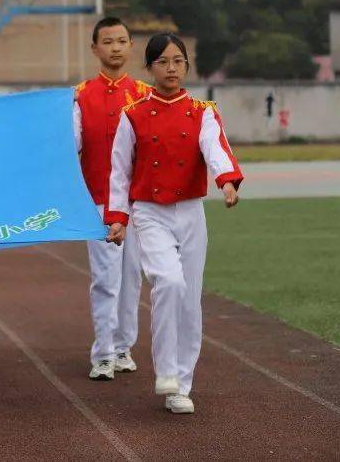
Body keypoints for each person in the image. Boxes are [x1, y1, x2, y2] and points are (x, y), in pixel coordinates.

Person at [105, 33, 243, 415]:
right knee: (168, 281)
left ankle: (181, 385)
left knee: (190, 300)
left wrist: (226, 180)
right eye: (163, 62)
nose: (171, 69)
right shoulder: (132, 114)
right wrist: (118, 218)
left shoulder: (202, 111)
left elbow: (216, 149)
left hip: (190, 212)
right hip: (149, 212)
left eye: (178, 61)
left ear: (187, 65)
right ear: (149, 68)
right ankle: (165, 371)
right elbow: (119, 171)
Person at [73, 17, 148, 381]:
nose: (115, 47)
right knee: (105, 278)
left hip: (140, 205)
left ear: (131, 45)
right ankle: (102, 352)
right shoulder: (79, 96)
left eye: (122, 40)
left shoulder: (147, 95)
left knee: (132, 277)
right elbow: (69, 149)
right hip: (99, 202)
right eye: (108, 41)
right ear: (95, 49)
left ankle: (122, 347)